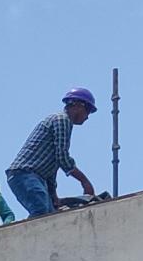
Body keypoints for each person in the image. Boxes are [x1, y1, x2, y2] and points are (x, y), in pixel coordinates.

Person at [5, 87, 101, 218]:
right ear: (78, 105)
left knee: (51, 216)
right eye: (88, 111)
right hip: (24, 174)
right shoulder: (62, 120)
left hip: (33, 177)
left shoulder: (63, 122)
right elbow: (62, 158)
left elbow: (51, 167)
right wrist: (84, 181)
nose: (87, 117)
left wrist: (54, 196)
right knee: (41, 212)